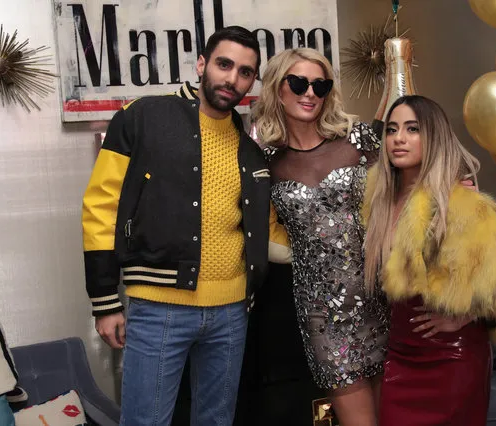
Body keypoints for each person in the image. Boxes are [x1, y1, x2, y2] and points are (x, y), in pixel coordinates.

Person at [81, 26, 289, 426]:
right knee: (146, 421)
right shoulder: (141, 117)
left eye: (245, 72)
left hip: (231, 312)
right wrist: (104, 300)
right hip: (159, 306)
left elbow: (265, 230)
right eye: (224, 64)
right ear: (201, 64)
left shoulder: (250, 150)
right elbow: (101, 207)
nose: (233, 79)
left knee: (217, 421)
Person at [362, 95, 496, 426]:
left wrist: (465, 317)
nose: (398, 138)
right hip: (399, 355)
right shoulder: (379, 201)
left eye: (413, 129)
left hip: (452, 357)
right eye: (392, 129)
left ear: (435, 136)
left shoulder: (462, 204)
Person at [251, 48, 389, 426]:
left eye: (320, 84)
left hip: (383, 297)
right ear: (277, 90)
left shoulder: (360, 141)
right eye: (298, 83)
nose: (309, 93)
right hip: (322, 312)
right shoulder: (266, 162)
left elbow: (406, 194)